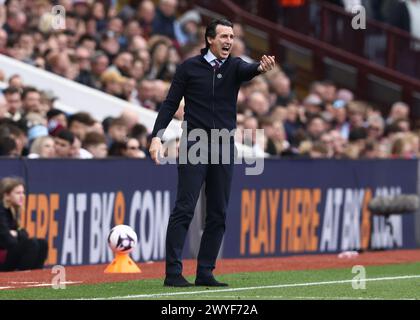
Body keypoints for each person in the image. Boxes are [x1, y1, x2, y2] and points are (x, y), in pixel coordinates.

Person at [149, 18, 275, 287]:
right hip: (195, 143)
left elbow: (251, 69)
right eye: (224, 36)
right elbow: (170, 104)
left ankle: (205, 271)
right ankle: (173, 272)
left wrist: (261, 68)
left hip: (224, 145)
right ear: (210, 39)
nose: (229, 41)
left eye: (231, 36)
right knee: (185, 207)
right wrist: (156, 137)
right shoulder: (189, 68)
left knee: (218, 211)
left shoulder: (235, 66)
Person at [0, 177, 48, 271]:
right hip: (2, 260)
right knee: (31, 244)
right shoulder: (1, 211)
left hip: (9, 252)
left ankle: (36, 275)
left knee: (42, 243)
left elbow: (24, 234)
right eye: (18, 193)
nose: (22, 196)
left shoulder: (13, 210)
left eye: (23, 192)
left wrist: (16, 233)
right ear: (6, 195)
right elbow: (8, 240)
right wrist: (17, 235)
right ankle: (21, 277)